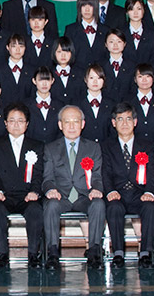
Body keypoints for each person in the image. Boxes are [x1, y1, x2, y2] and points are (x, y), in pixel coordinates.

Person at [41, 106, 107, 268]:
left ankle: (94, 251)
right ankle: (52, 252)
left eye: (75, 122)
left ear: (82, 124)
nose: (71, 126)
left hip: (84, 196)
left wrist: (96, 189)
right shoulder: (50, 148)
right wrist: (50, 189)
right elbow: (47, 178)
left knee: (98, 204)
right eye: (67, 122)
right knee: (51, 205)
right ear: (60, 125)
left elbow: (97, 176)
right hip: (61, 197)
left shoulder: (93, 147)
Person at [102, 102, 154, 267]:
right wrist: (110, 191)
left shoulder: (147, 145)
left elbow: (152, 172)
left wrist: (149, 192)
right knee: (114, 207)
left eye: (128, 119)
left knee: (151, 208)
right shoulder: (107, 145)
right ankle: (118, 253)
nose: (125, 123)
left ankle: (145, 252)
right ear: (114, 123)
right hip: (118, 194)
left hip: (139, 194)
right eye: (120, 119)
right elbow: (105, 172)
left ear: (135, 122)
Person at [0, 103, 44, 268]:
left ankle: (33, 254)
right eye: (12, 121)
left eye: (20, 121)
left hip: (27, 196)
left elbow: (39, 173)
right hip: (5, 195)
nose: (16, 125)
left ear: (27, 124)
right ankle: (2, 253)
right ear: (5, 123)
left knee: (35, 210)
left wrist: (35, 191)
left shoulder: (37, 146)